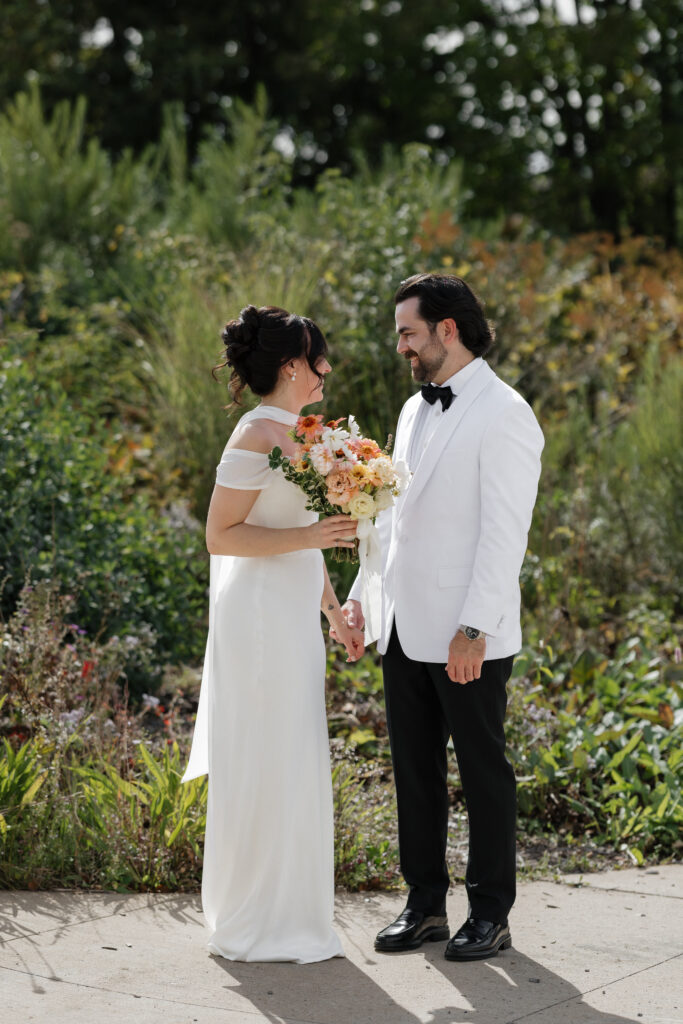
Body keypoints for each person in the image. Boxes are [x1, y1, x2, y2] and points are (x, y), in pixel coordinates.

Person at [341, 273, 544, 961]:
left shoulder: (506, 412)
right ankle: (423, 904)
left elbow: (504, 531)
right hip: (403, 623)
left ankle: (491, 912)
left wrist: (474, 626)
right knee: (414, 772)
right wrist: (361, 598)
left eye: (408, 332)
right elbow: (390, 520)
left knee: (483, 773)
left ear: (446, 331)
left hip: (465, 631)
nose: (400, 345)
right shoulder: (410, 410)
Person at [183, 304, 364, 963]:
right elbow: (219, 536)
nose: (327, 370)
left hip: (291, 614)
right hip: (256, 616)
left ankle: (294, 913)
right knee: (265, 754)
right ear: (293, 366)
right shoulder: (255, 434)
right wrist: (312, 535)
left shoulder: (302, 431)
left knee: (293, 753)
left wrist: (333, 610)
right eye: (319, 359)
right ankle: (256, 919)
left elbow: (300, 537)